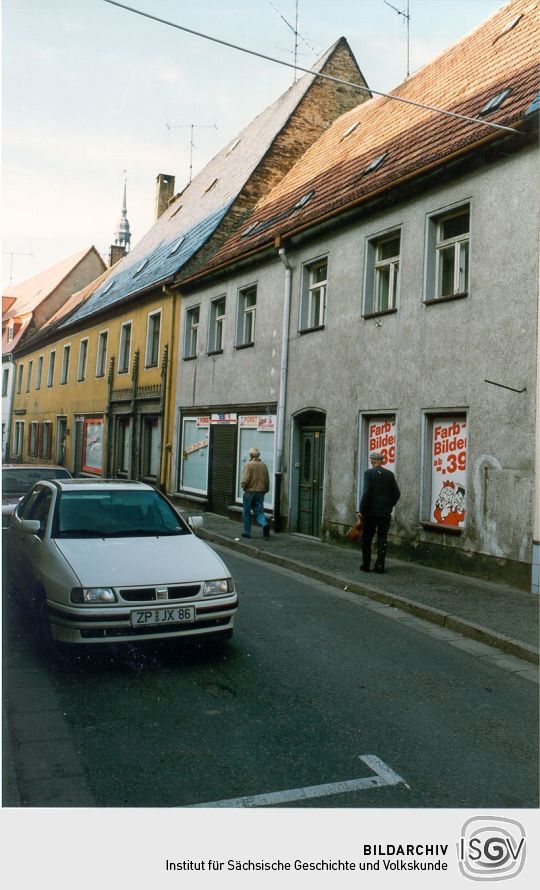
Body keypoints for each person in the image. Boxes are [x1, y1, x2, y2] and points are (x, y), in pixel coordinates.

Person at [357, 451, 400, 574]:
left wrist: (361, 510)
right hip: (384, 513)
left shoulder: (368, 473)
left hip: (370, 513)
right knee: (382, 538)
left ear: (372, 460)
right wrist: (389, 505)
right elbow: (397, 494)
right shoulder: (389, 474)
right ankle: (380, 566)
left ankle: (366, 565)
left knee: (367, 539)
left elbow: (366, 493)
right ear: (381, 461)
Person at [241, 447, 270, 539]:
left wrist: (243, 486)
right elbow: (267, 479)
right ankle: (264, 524)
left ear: (250, 455)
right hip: (260, 492)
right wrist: (266, 489)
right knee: (259, 511)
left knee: (246, 512)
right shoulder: (263, 465)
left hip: (250, 491)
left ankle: (247, 532)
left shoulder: (249, 465)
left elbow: (245, 479)